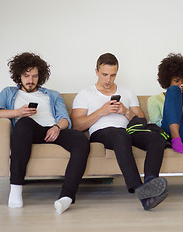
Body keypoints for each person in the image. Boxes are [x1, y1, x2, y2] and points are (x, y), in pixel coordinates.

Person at [0, 52, 90, 214]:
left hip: (52, 130)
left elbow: (65, 120)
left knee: (81, 140)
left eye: (35, 76)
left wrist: (57, 127)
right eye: (26, 76)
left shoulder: (53, 95)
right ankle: (15, 189)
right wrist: (18, 112)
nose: (30, 80)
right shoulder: (8, 92)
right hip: (28, 130)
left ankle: (67, 197)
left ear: (40, 76)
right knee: (24, 123)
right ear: (18, 75)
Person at [71, 53, 168, 210]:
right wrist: (101, 111)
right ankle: (139, 189)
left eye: (113, 75)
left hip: (128, 131)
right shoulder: (85, 94)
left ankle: (150, 181)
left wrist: (125, 111)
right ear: (96, 71)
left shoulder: (127, 92)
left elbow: (141, 119)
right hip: (102, 133)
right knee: (120, 135)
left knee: (156, 138)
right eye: (104, 75)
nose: (108, 80)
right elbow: (77, 125)